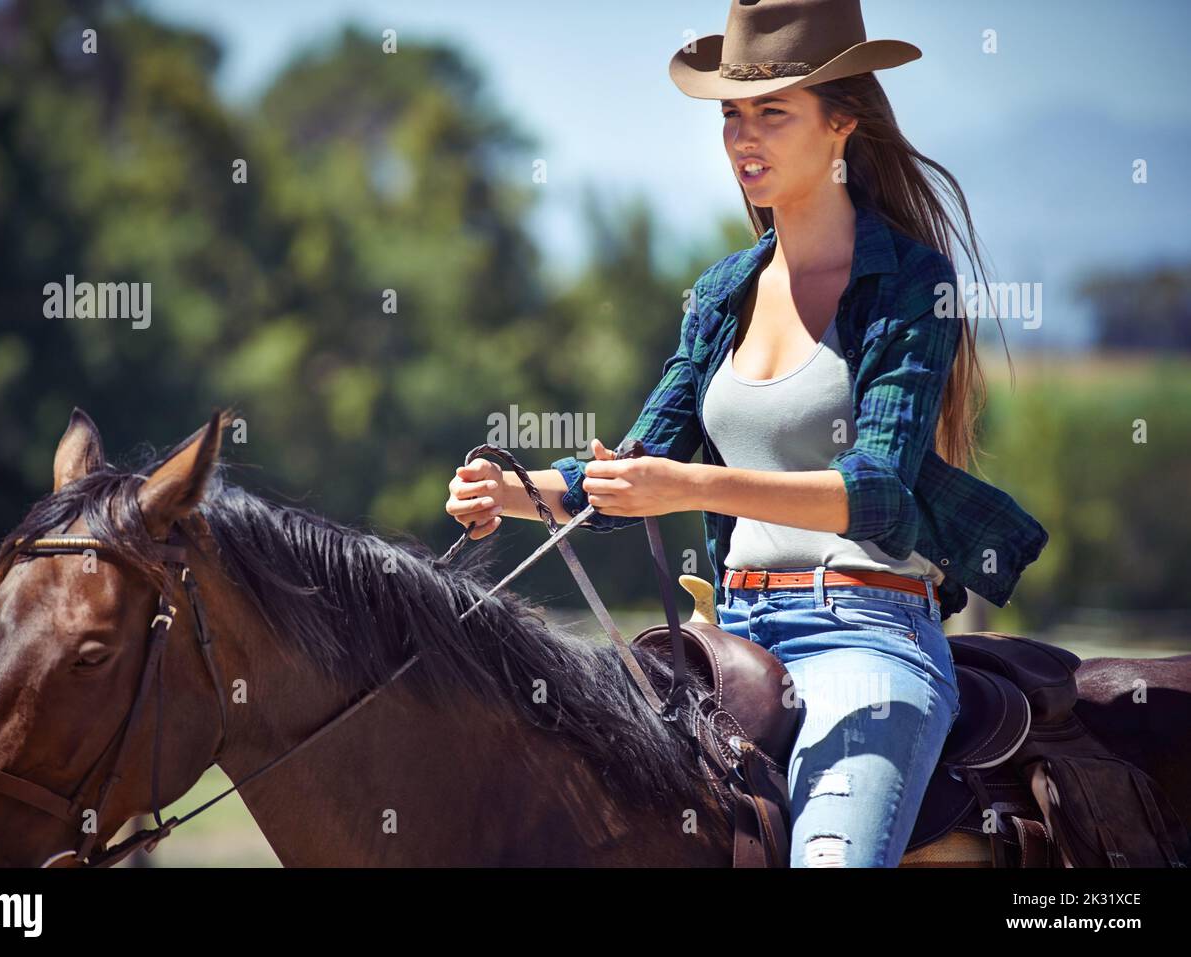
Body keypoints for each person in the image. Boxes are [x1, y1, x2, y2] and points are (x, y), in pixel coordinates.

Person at [445, 0, 1048, 866]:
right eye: (731, 114)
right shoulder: (722, 290)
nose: (743, 137)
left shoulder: (912, 283)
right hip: (728, 635)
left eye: (773, 112)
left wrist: (688, 487)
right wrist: (515, 492)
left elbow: (876, 492)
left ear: (842, 124)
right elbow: (636, 470)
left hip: (868, 636)